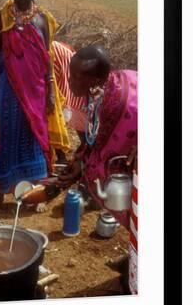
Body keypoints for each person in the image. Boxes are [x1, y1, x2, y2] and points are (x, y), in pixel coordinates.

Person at [0, 0, 70, 210]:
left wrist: (52, 91)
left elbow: (48, 59)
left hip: (35, 93)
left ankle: (36, 193)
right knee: (4, 138)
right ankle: (2, 192)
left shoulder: (42, 20)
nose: (23, 2)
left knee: (34, 138)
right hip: (7, 90)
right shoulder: (2, 17)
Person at [57, 45, 137, 228]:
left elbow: (105, 151)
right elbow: (95, 136)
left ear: (95, 80)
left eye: (77, 77)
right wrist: (80, 160)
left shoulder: (124, 106)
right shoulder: (96, 91)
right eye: (71, 73)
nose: (69, 80)